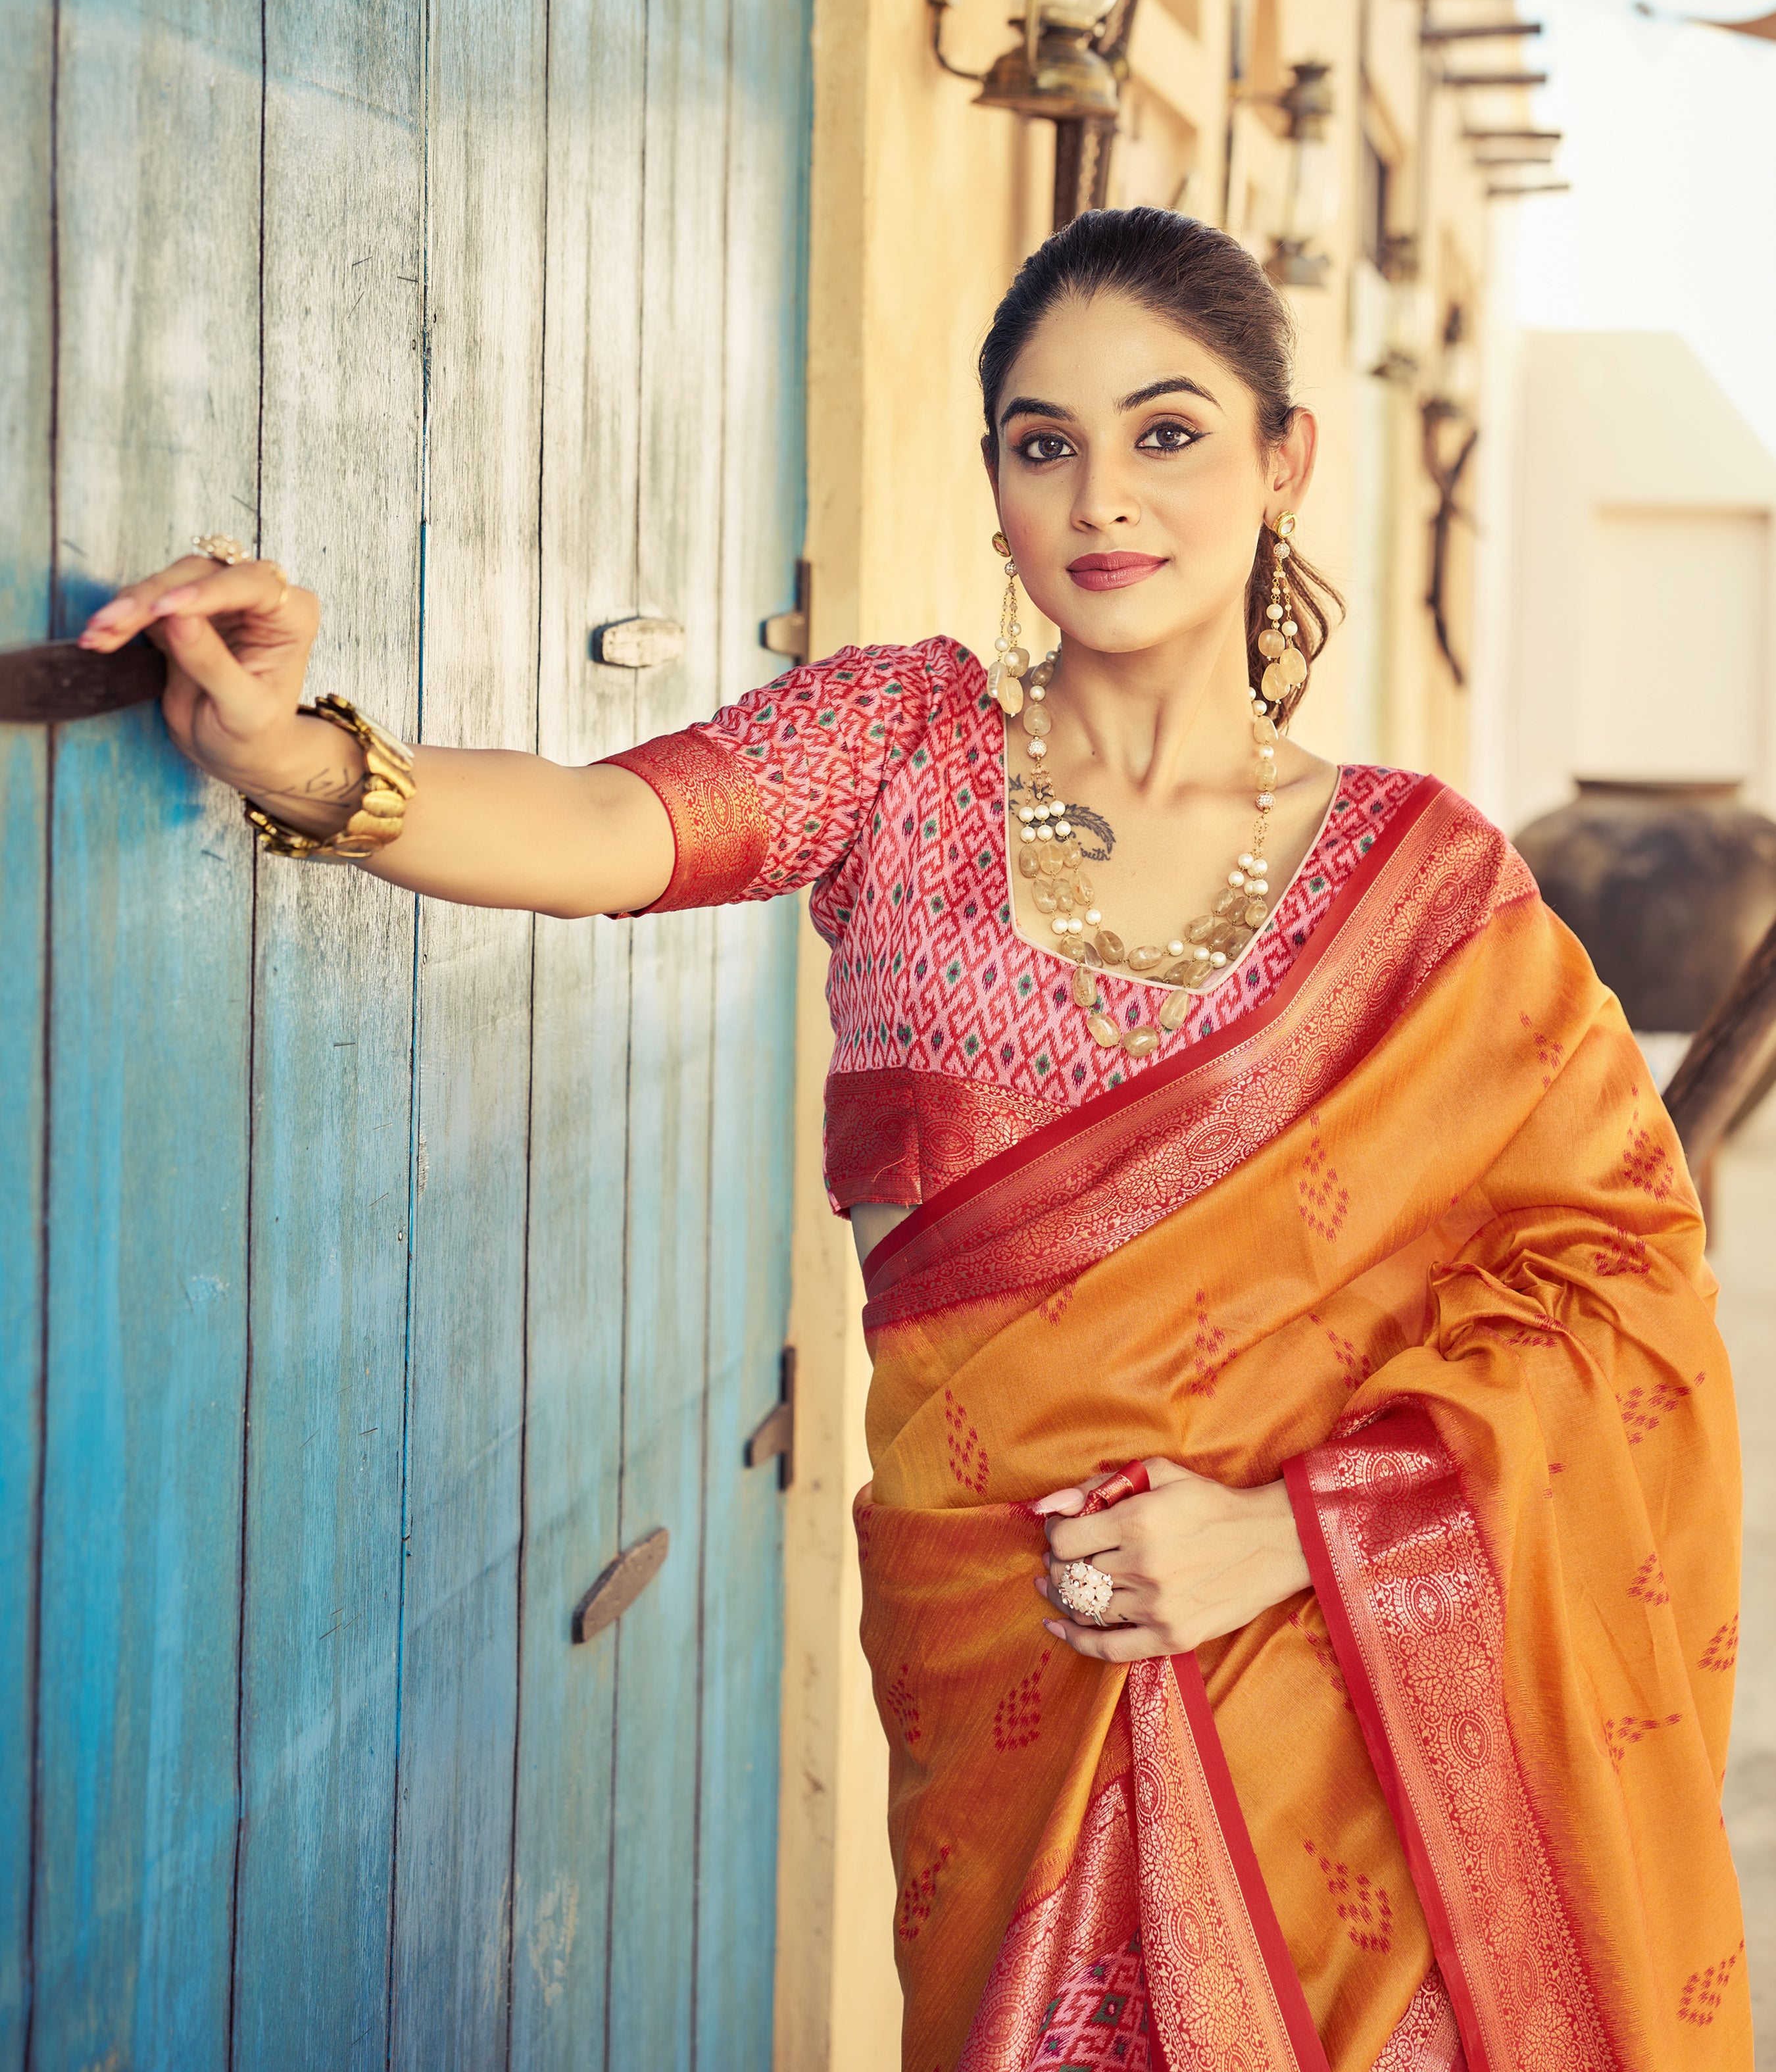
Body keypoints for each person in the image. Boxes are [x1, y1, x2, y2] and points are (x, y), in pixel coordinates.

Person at [82, 209, 1746, 2071]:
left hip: (1342, 1707)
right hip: (1013, 1674)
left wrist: (1296, 1532)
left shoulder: (1426, 884)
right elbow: (599, 827)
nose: (1103, 496)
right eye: (1046, 444)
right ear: (994, 485)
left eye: (1168, 431)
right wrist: (302, 758)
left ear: (1283, 456)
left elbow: (1612, 1277)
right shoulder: (898, 745)